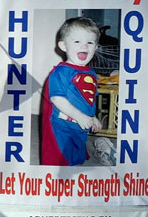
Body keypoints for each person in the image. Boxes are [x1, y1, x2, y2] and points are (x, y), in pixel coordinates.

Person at [40, 17, 102, 166]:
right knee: (61, 162)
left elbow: (88, 101)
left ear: (96, 47)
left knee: (76, 159)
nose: (84, 46)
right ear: (63, 45)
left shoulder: (90, 73)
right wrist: (79, 116)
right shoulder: (62, 71)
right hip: (62, 127)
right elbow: (56, 98)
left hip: (79, 127)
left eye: (90, 42)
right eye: (77, 42)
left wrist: (93, 117)